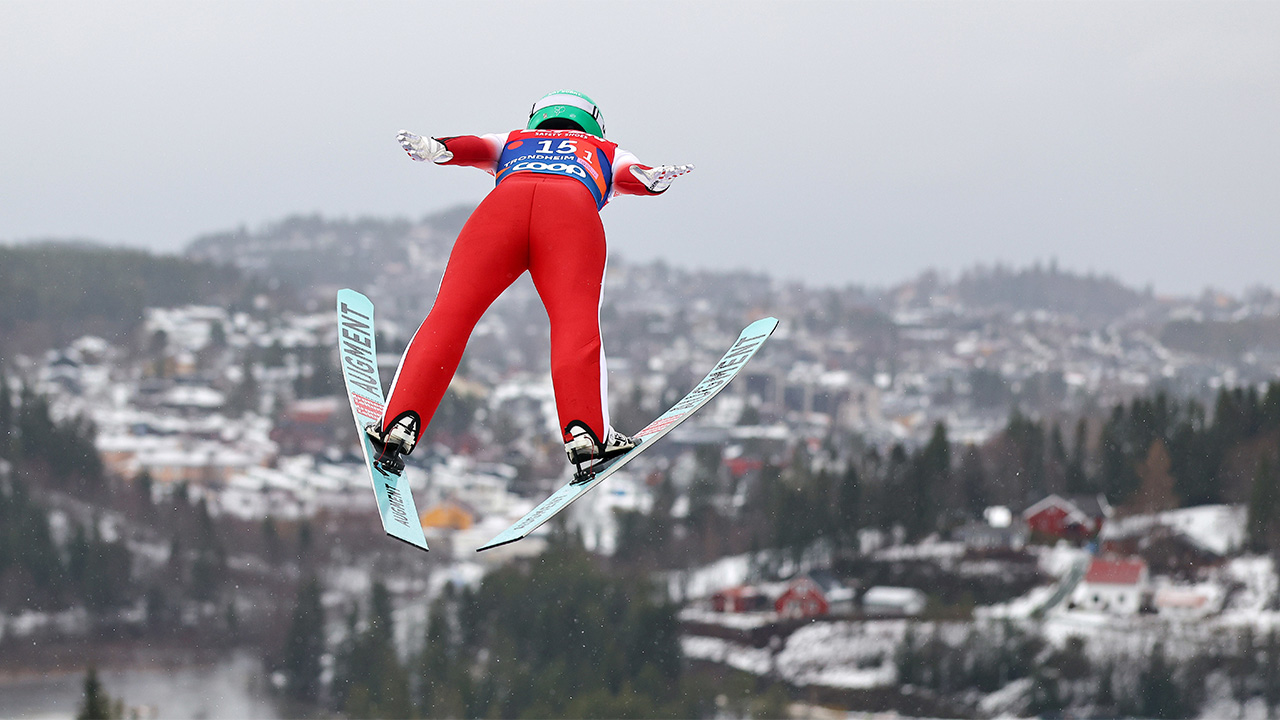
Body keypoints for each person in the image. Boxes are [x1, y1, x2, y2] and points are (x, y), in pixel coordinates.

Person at [366, 90, 693, 475]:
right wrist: (652, 181)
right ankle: (587, 433)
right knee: (575, 323)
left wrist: (435, 148)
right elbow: (631, 175)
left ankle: (399, 423)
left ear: (538, 117)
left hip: (502, 211)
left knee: (450, 315)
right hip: (570, 215)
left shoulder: (515, 139)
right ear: (593, 122)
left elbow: (471, 147)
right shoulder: (604, 148)